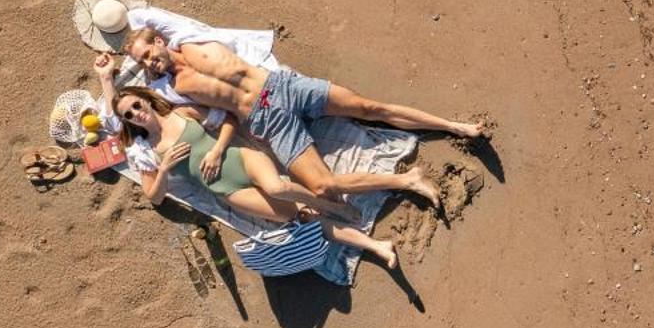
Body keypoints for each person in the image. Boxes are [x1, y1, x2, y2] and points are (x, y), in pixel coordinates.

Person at [94, 21, 486, 210]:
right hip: (267, 122)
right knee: (323, 189)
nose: (150, 62)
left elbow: (147, 12)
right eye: (143, 62)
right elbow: (117, 119)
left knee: (370, 108)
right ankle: (409, 180)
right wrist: (107, 77)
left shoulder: (192, 38)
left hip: (282, 86)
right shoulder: (169, 91)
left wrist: (123, 26)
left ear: (159, 40)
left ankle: (455, 126)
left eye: (149, 53)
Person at [111, 87, 408, 268]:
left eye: (136, 105)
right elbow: (155, 197)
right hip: (226, 189)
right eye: (128, 114)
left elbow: (227, 121)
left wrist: (216, 150)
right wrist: (164, 169)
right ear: (127, 122)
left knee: (277, 186)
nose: (137, 113)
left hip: (240, 159)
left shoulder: (182, 112)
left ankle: (334, 206)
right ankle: (377, 247)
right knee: (301, 219)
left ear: (145, 99)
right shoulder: (144, 151)